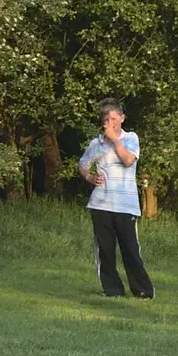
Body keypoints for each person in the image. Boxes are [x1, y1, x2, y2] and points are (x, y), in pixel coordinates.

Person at [76, 98, 153, 299]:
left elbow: (128, 161)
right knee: (105, 251)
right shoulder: (96, 144)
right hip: (101, 204)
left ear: (122, 118)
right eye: (107, 119)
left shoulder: (131, 138)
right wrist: (90, 177)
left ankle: (143, 290)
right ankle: (112, 290)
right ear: (102, 122)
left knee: (131, 250)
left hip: (126, 206)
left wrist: (115, 140)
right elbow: (82, 164)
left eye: (114, 118)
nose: (111, 122)